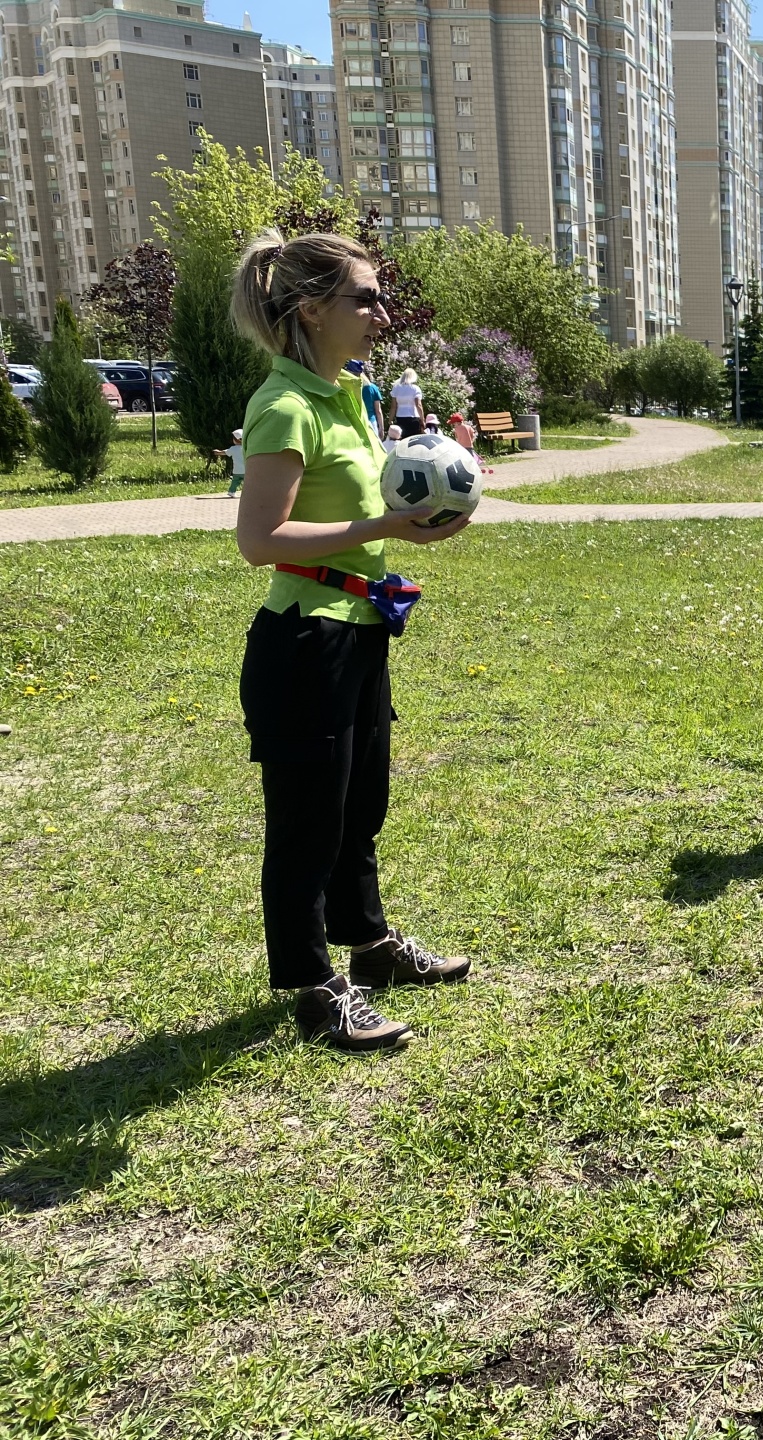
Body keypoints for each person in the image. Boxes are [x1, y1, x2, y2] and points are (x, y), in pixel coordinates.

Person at [230, 229, 472, 1053]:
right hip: (304, 643)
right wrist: (383, 527)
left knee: (360, 804)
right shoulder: (285, 406)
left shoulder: (352, 396)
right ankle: (311, 986)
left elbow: (383, 500)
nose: (380, 312)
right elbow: (260, 539)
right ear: (310, 309)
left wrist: (427, 510)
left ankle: (367, 944)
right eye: (363, 298)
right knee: (307, 821)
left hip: (362, 630)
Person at [351, 361, 384, 436]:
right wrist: (381, 428)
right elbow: (378, 411)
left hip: (354, 423)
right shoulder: (372, 387)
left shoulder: (349, 387)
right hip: (371, 423)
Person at [390, 367, 424, 437]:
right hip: (413, 416)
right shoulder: (415, 388)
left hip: (400, 417)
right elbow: (418, 405)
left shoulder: (396, 388)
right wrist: (422, 419)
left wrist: (390, 419)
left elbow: (393, 406)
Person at [224, 427, 247, 498]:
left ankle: (231, 492)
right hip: (246, 470)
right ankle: (248, 493)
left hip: (236, 470)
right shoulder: (246, 448)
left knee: (235, 482)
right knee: (248, 483)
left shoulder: (233, 449)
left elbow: (225, 452)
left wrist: (218, 452)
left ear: (235, 440)